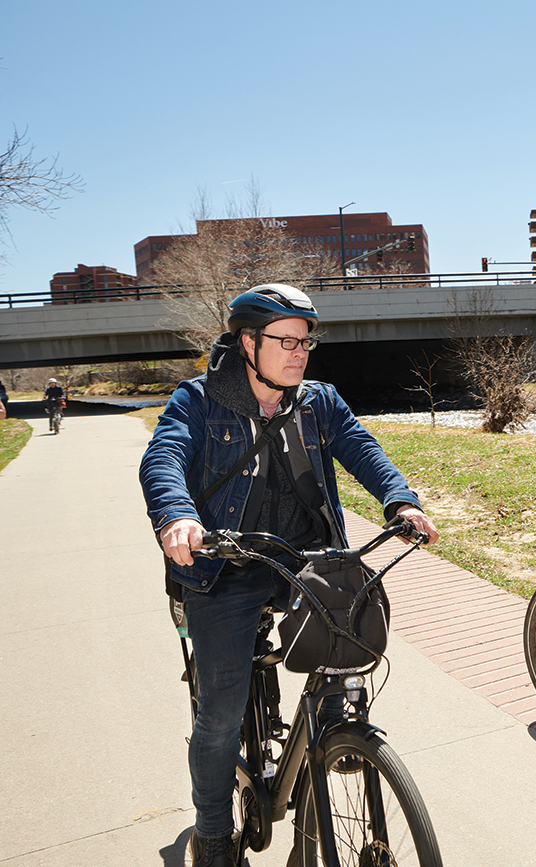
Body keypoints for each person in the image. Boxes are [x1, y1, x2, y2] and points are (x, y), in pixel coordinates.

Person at [139, 284, 439, 867]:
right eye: (286, 341)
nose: (300, 353)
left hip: (305, 558)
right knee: (221, 712)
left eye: (306, 341)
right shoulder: (198, 400)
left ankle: (328, 743)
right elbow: (164, 457)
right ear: (247, 342)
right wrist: (176, 515)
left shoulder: (319, 400)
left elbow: (362, 448)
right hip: (225, 565)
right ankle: (215, 836)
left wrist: (400, 501)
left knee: (348, 652)